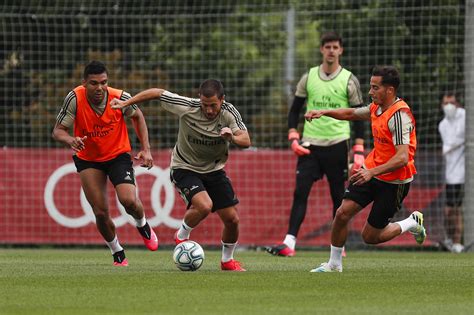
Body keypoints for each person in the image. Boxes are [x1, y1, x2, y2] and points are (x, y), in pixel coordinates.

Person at [110, 79, 251, 271]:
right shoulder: (187, 106)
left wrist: (232, 137)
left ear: (222, 100)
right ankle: (181, 236)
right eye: (205, 105)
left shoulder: (229, 112)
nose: (209, 110)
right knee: (204, 206)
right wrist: (126, 103)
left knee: (232, 220)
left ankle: (227, 261)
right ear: (199, 99)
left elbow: (246, 140)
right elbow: (157, 92)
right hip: (184, 167)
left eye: (213, 106)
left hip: (214, 170)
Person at [305, 65, 426, 272]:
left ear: (390, 90)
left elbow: (403, 157)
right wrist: (325, 112)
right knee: (342, 213)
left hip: (394, 182)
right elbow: (351, 113)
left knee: (369, 237)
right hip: (371, 172)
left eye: (375, 87)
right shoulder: (375, 108)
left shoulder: (399, 116)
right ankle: (334, 264)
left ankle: (411, 222)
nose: (370, 92)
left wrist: (371, 172)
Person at [267, 31, 366, 257]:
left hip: (338, 144)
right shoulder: (309, 77)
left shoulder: (349, 80)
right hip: (310, 144)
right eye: (327, 47)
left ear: (341, 50)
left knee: (338, 197)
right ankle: (289, 243)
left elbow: (359, 117)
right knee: (300, 193)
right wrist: (293, 138)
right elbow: (294, 113)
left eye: (335, 47)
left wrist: (358, 151)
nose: (331, 51)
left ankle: (338, 246)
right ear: (321, 49)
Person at [52, 60, 158, 266]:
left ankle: (142, 225)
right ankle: (117, 252)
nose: (99, 88)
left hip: (117, 155)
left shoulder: (120, 97)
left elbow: (138, 116)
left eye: (103, 82)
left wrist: (146, 149)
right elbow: (57, 131)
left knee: (128, 201)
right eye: (94, 83)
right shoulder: (74, 98)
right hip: (88, 159)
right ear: (84, 83)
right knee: (100, 211)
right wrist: (70, 140)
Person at [438, 92, 465, 253]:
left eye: (452, 102)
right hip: (450, 173)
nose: (449, 106)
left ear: (457, 104)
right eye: (445, 103)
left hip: (463, 173)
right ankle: (449, 240)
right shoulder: (442, 125)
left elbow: (461, 139)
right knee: (448, 210)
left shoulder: (465, 116)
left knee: (456, 209)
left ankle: (457, 242)